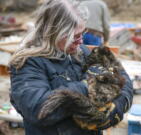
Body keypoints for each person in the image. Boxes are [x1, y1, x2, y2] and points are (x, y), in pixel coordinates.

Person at [9, 0, 133, 135]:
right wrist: (89, 87)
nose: (80, 41)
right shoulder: (27, 63)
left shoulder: (82, 51)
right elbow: (37, 109)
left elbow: (122, 78)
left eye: (82, 33)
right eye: (74, 37)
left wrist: (117, 107)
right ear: (54, 33)